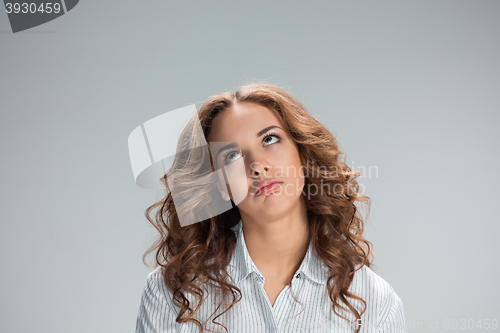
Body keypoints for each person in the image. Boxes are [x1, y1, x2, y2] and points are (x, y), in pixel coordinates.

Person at [135, 83, 406, 333]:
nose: (256, 165)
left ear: (302, 150)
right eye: (231, 156)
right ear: (220, 184)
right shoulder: (170, 293)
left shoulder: (375, 303)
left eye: (269, 140)